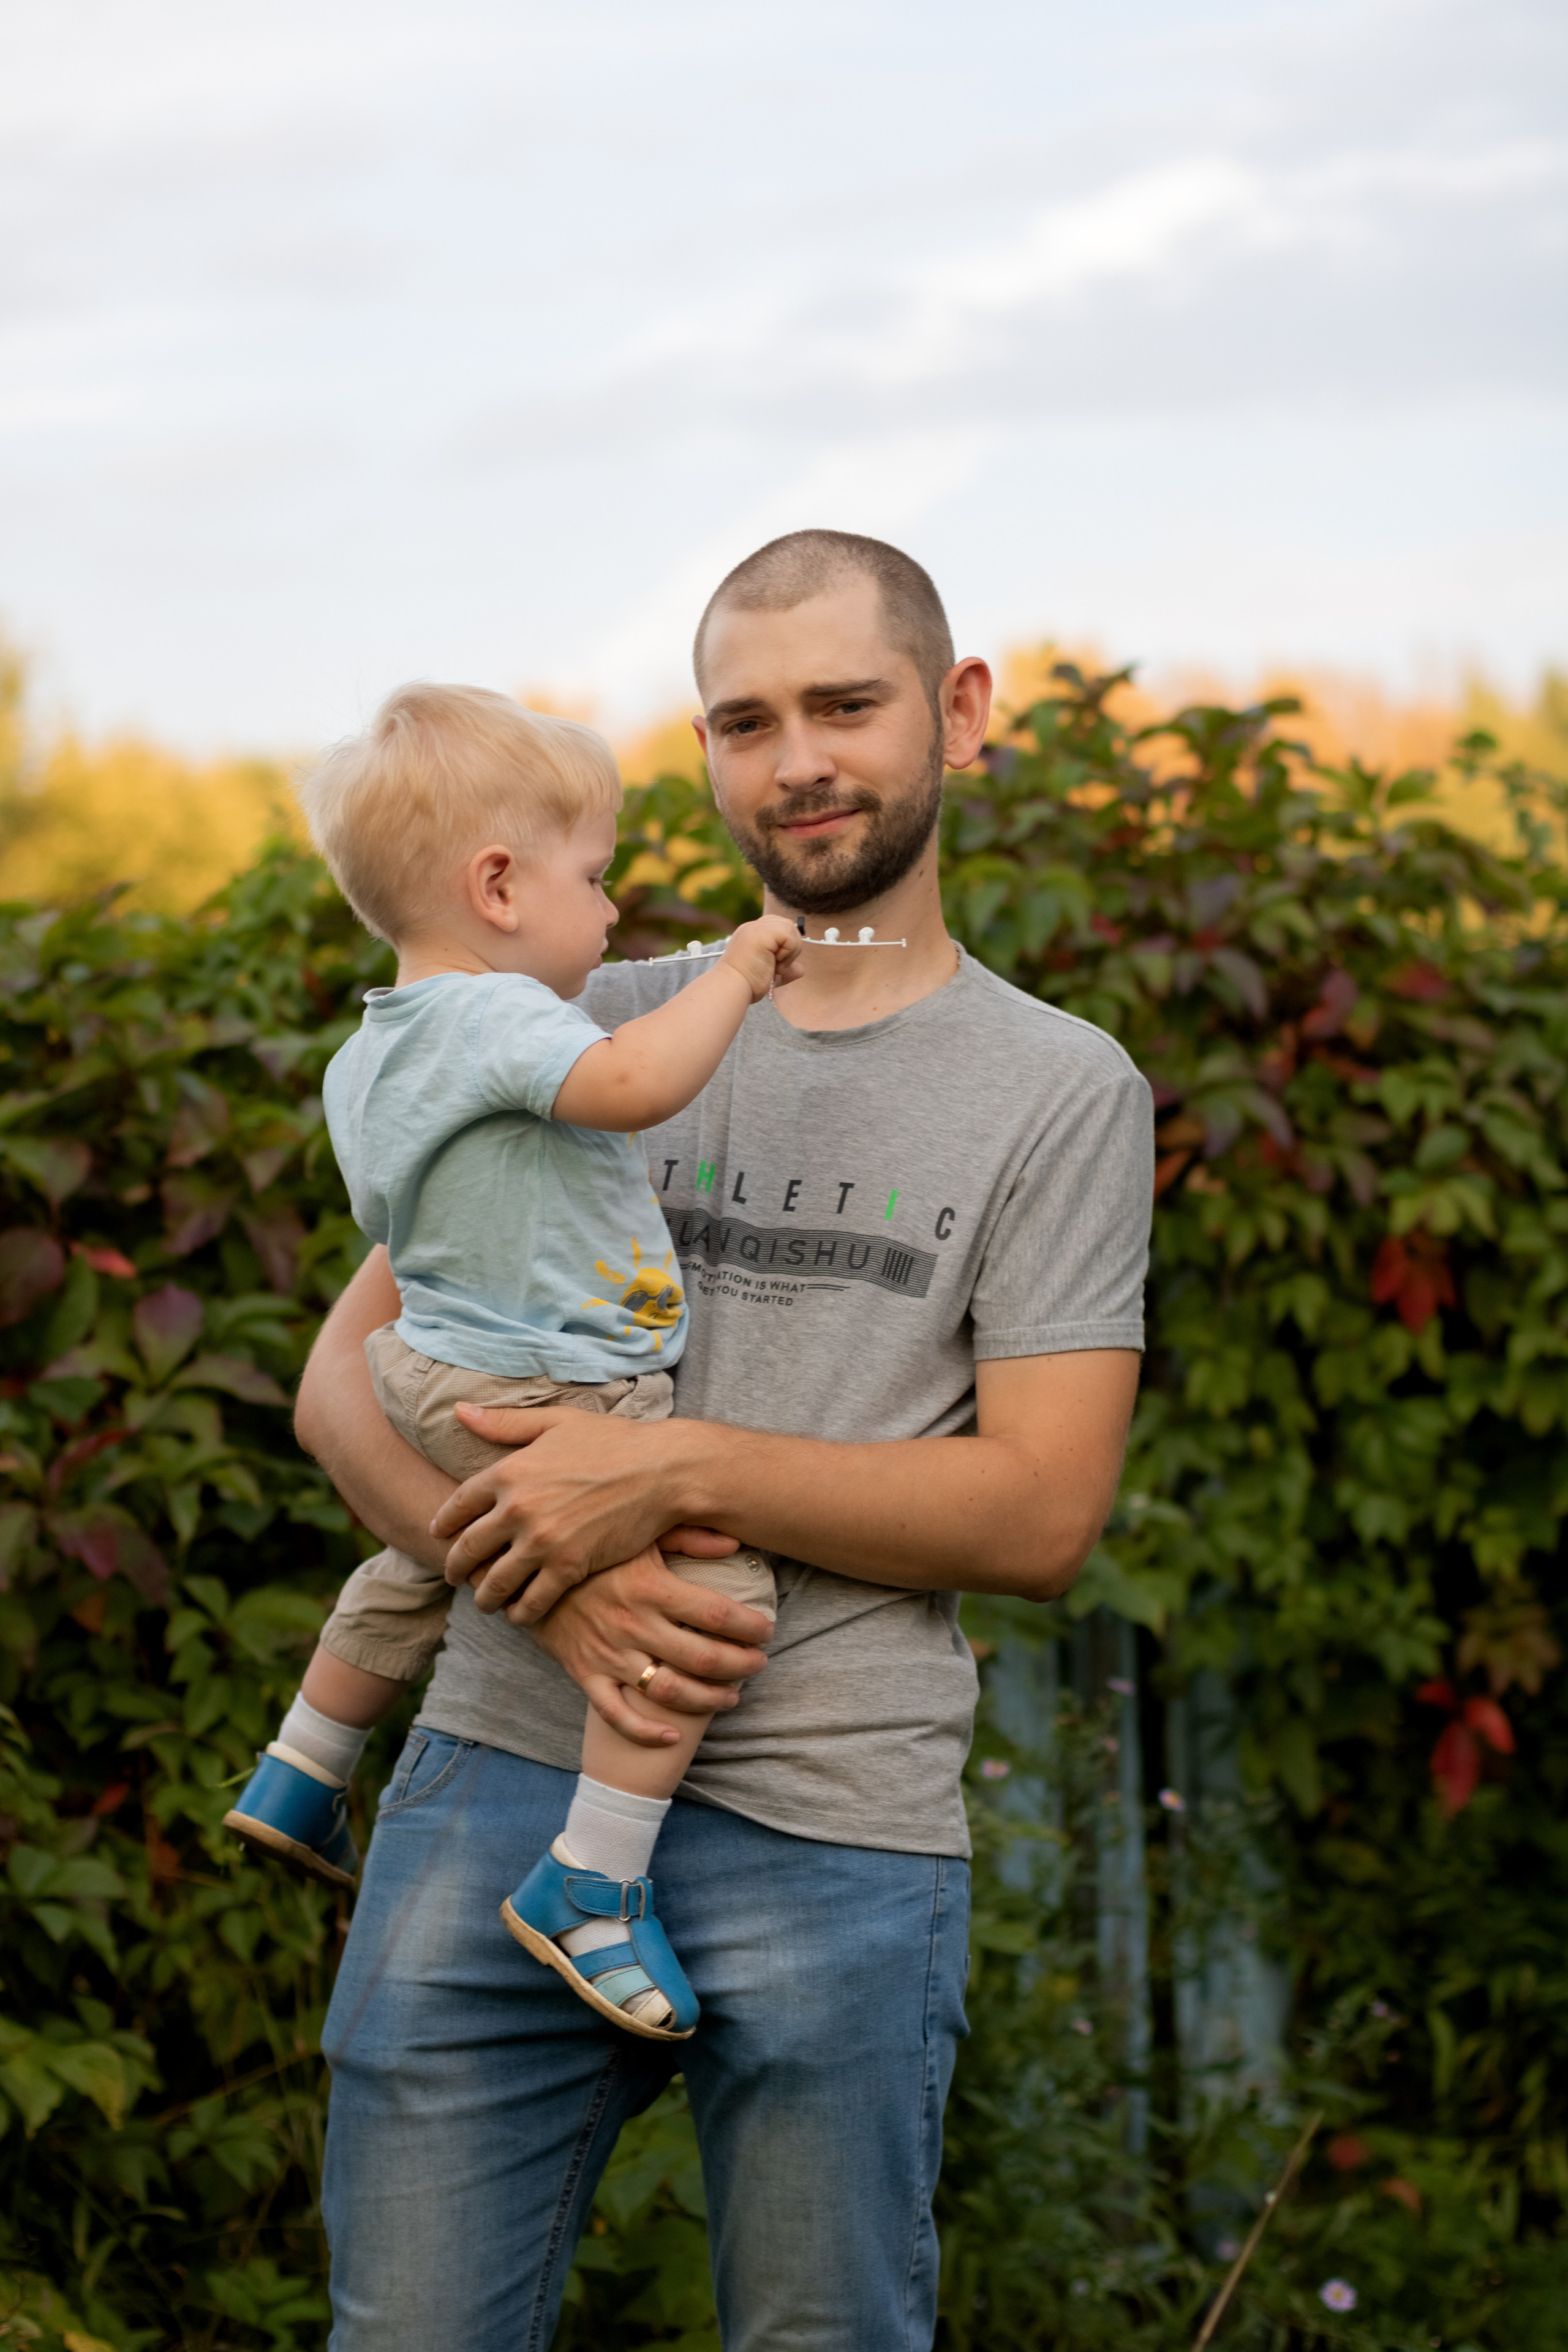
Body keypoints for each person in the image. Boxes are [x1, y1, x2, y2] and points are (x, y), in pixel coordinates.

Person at [298, 530, 1154, 2352]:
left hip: (836, 1826)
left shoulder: (1062, 1088)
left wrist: (681, 1474)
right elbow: (340, 1387)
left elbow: (1040, 1509)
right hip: (498, 1777)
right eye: (744, 721)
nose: (799, 760)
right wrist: (558, 1602)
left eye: (845, 703)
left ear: (961, 710)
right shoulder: (577, 1018)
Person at [224, 682, 800, 2038]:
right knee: (713, 1592)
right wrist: (734, 969)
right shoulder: (499, 1019)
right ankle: (591, 1883)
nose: (608, 919)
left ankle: (303, 1766)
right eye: (594, 881)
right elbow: (632, 1085)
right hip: (540, 1393)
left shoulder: (372, 1050)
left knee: (420, 1559)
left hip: (429, 1371)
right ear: (495, 885)